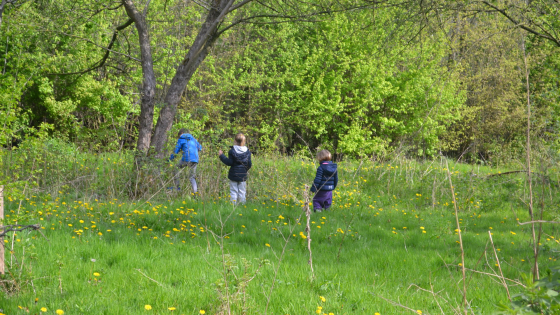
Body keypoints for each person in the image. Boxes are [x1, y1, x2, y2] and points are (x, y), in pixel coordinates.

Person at [218, 133, 252, 204]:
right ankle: (242, 205)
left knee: (233, 191)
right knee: (242, 191)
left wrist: (222, 156)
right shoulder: (248, 152)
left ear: (235, 141)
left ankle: (233, 205)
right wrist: (245, 170)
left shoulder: (232, 151)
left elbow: (229, 162)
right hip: (243, 175)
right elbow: (249, 164)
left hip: (233, 174)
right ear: (244, 141)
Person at [169, 128, 202, 194]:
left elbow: (176, 151)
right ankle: (195, 194)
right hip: (195, 159)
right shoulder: (194, 139)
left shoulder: (181, 139)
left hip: (186, 159)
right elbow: (200, 148)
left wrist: (170, 159)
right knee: (192, 177)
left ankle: (177, 187)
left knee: (176, 167)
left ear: (181, 133)